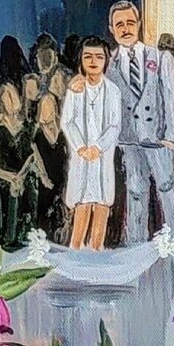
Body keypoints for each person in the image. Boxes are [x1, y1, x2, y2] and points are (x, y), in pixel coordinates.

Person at [104, 1, 174, 244]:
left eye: (130, 23)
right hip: (129, 140)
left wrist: (170, 137)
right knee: (136, 192)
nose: (125, 29)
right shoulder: (109, 66)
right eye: (119, 25)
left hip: (158, 139)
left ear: (139, 24)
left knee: (167, 189)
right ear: (111, 28)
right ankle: (136, 247)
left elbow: (171, 100)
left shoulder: (160, 58)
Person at [61, 36, 121, 251]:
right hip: (82, 156)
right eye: (88, 56)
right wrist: (81, 147)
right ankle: (75, 249)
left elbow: (115, 126)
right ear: (81, 60)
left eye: (99, 57)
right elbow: (67, 122)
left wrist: (99, 147)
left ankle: (97, 249)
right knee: (83, 201)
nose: (93, 61)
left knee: (102, 202)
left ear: (106, 60)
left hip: (102, 156)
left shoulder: (113, 91)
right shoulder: (75, 90)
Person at [0, 83, 38, 251]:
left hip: (23, 173)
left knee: (31, 182)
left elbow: (32, 155)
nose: (11, 102)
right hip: (4, 177)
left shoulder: (26, 127)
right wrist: (13, 178)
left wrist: (22, 175)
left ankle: (28, 231)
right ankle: (8, 237)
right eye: (6, 99)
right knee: (9, 187)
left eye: (13, 96)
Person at [31, 87, 68, 243]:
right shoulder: (36, 134)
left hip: (61, 179)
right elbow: (35, 159)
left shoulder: (62, 132)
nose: (47, 111)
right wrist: (44, 178)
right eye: (44, 107)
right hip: (44, 182)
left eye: (50, 106)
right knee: (44, 215)